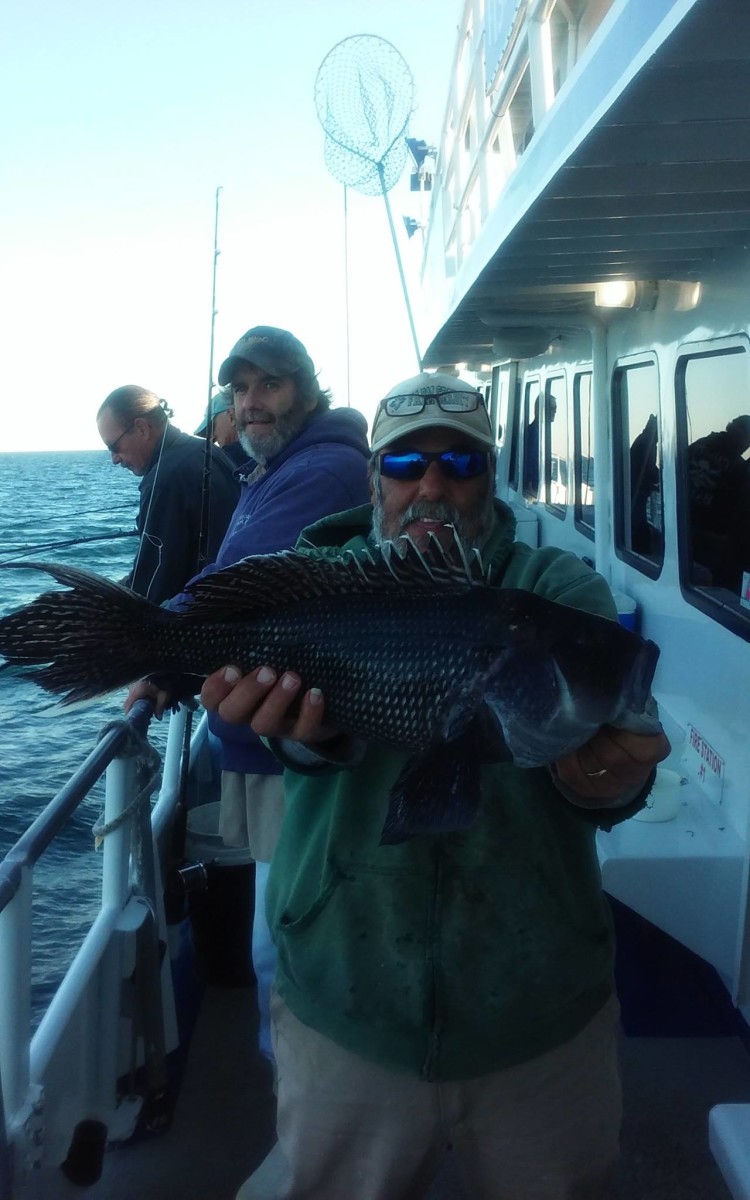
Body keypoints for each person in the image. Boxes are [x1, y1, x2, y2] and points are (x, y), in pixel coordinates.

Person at [200, 370, 671, 1200]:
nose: (431, 486)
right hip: (348, 1005)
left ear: (489, 476)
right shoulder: (318, 578)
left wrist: (606, 779)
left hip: (538, 1016)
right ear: (373, 476)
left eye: (460, 463)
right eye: (405, 463)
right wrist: (305, 734)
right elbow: (291, 745)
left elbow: (605, 775)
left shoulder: (557, 593)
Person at [126, 326, 370, 1063]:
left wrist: (146, 650)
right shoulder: (282, 465)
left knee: (284, 937)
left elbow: (234, 582)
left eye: (269, 385)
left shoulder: (321, 471)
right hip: (270, 731)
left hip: (289, 740)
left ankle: (297, 1086)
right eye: (239, 389)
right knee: (280, 927)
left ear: (307, 391)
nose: (250, 402)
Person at [97, 386, 239, 604]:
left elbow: (152, 587)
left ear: (142, 428)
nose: (114, 459)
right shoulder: (211, 452)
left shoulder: (164, 480)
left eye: (114, 447)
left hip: (199, 618)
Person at [196, 386, 247, 468]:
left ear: (231, 416)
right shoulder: (262, 452)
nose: (211, 439)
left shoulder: (222, 460)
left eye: (212, 428)